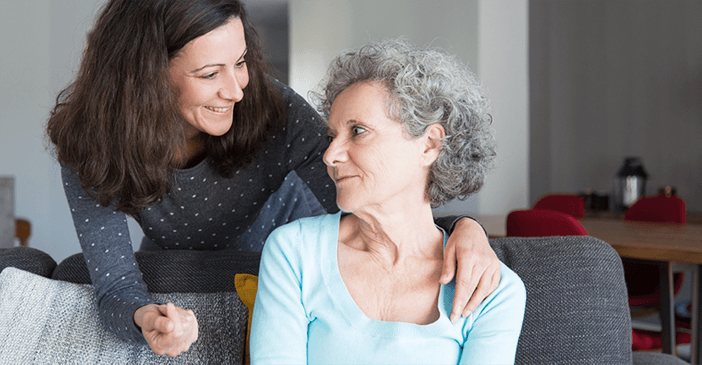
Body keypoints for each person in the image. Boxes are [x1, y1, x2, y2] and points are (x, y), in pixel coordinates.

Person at [46, 0, 500, 358]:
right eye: (210, 73)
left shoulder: (274, 110)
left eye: (240, 61)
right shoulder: (92, 145)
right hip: (178, 267)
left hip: (284, 264)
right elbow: (116, 288)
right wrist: (147, 318)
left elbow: (381, 198)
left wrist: (463, 228)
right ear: (144, 77)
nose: (236, 89)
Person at [251, 38, 526, 364]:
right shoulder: (294, 252)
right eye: (331, 137)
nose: (330, 155)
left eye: (358, 131)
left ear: (429, 145)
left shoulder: (491, 290)